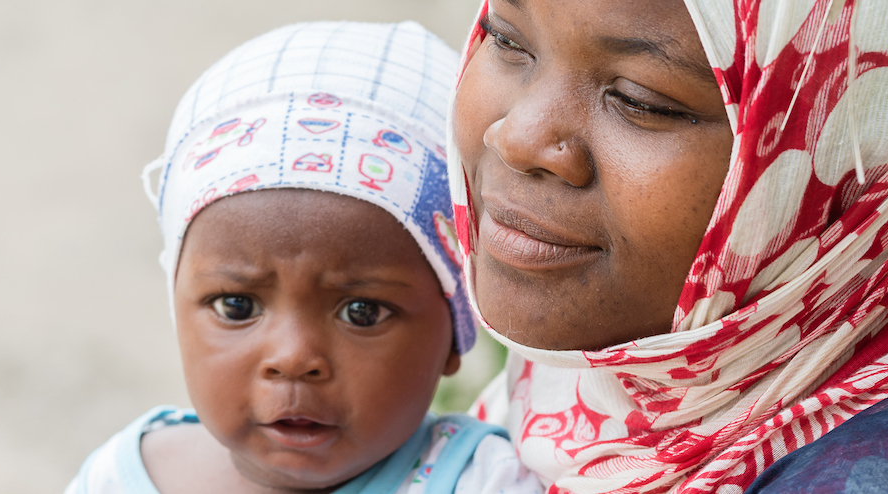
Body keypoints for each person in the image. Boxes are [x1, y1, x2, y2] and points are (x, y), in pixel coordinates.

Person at [447, 0, 888, 492]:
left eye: (643, 100)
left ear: (878, 157)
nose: (519, 136)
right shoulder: (649, 364)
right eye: (507, 38)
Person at [65, 21, 540, 494]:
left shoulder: (483, 483)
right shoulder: (119, 477)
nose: (293, 358)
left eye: (362, 312)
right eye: (237, 306)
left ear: (455, 332)